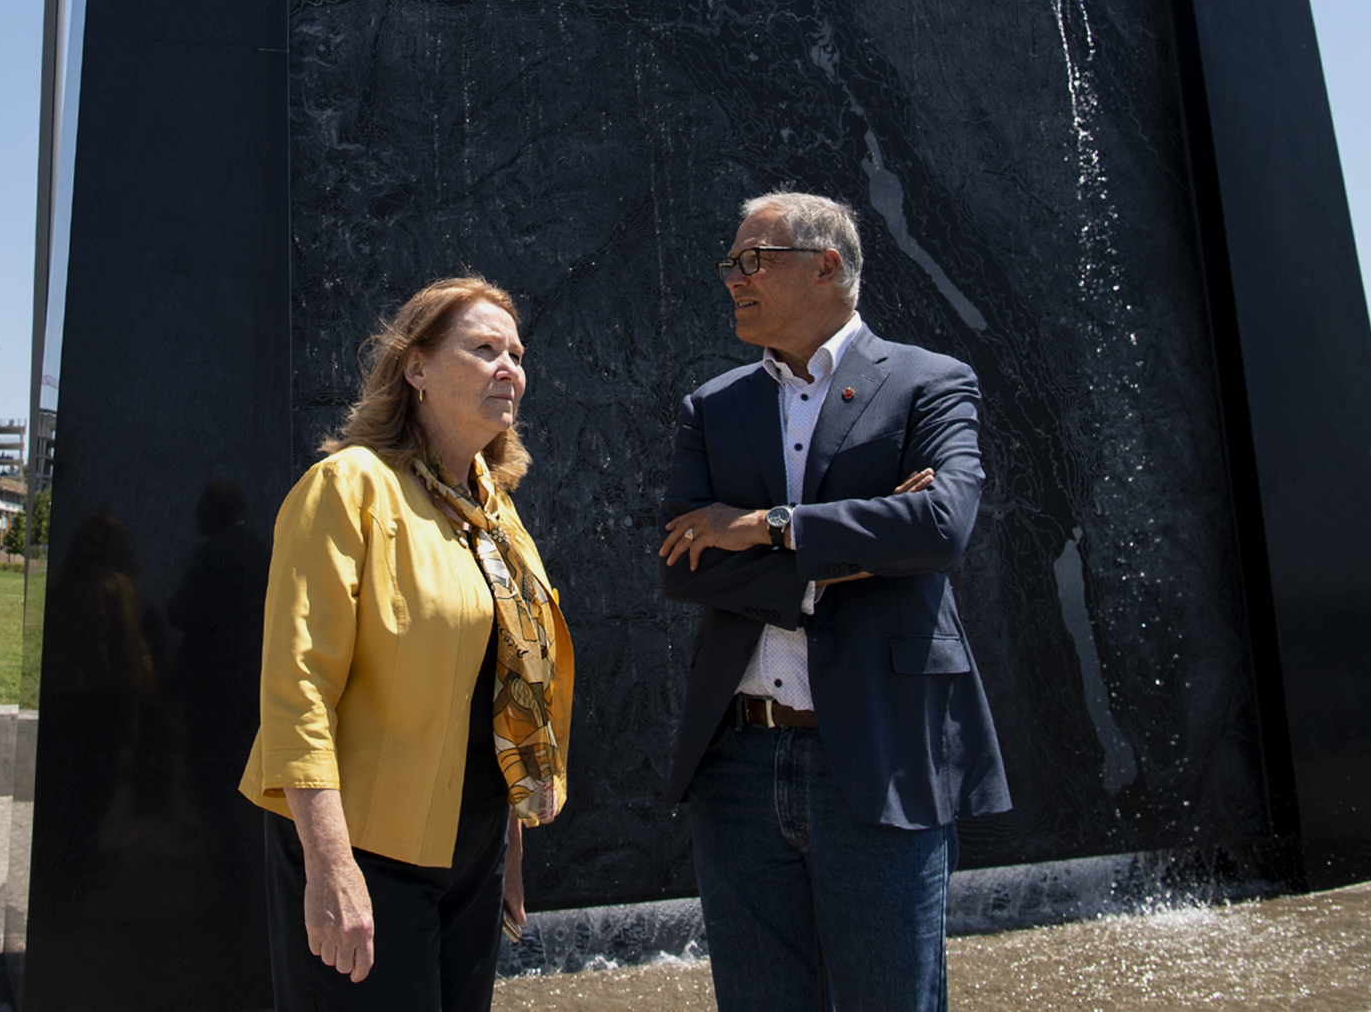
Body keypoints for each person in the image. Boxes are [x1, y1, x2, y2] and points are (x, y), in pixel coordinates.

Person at [657, 191, 1011, 1011]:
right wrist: (843, 558)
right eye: (730, 263)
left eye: (755, 259)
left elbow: (941, 524)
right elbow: (683, 566)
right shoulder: (714, 407)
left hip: (882, 755)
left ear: (827, 266)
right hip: (739, 767)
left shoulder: (930, 382)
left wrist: (770, 527)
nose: (734, 279)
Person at [241, 276, 574, 1012]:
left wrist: (509, 847)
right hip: (365, 848)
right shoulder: (347, 487)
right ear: (415, 368)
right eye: (484, 348)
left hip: (476, 846)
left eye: (516, 353)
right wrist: (329, 864)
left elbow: (500, 691)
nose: (509, 368)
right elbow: (296, 688)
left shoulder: (496, 516)